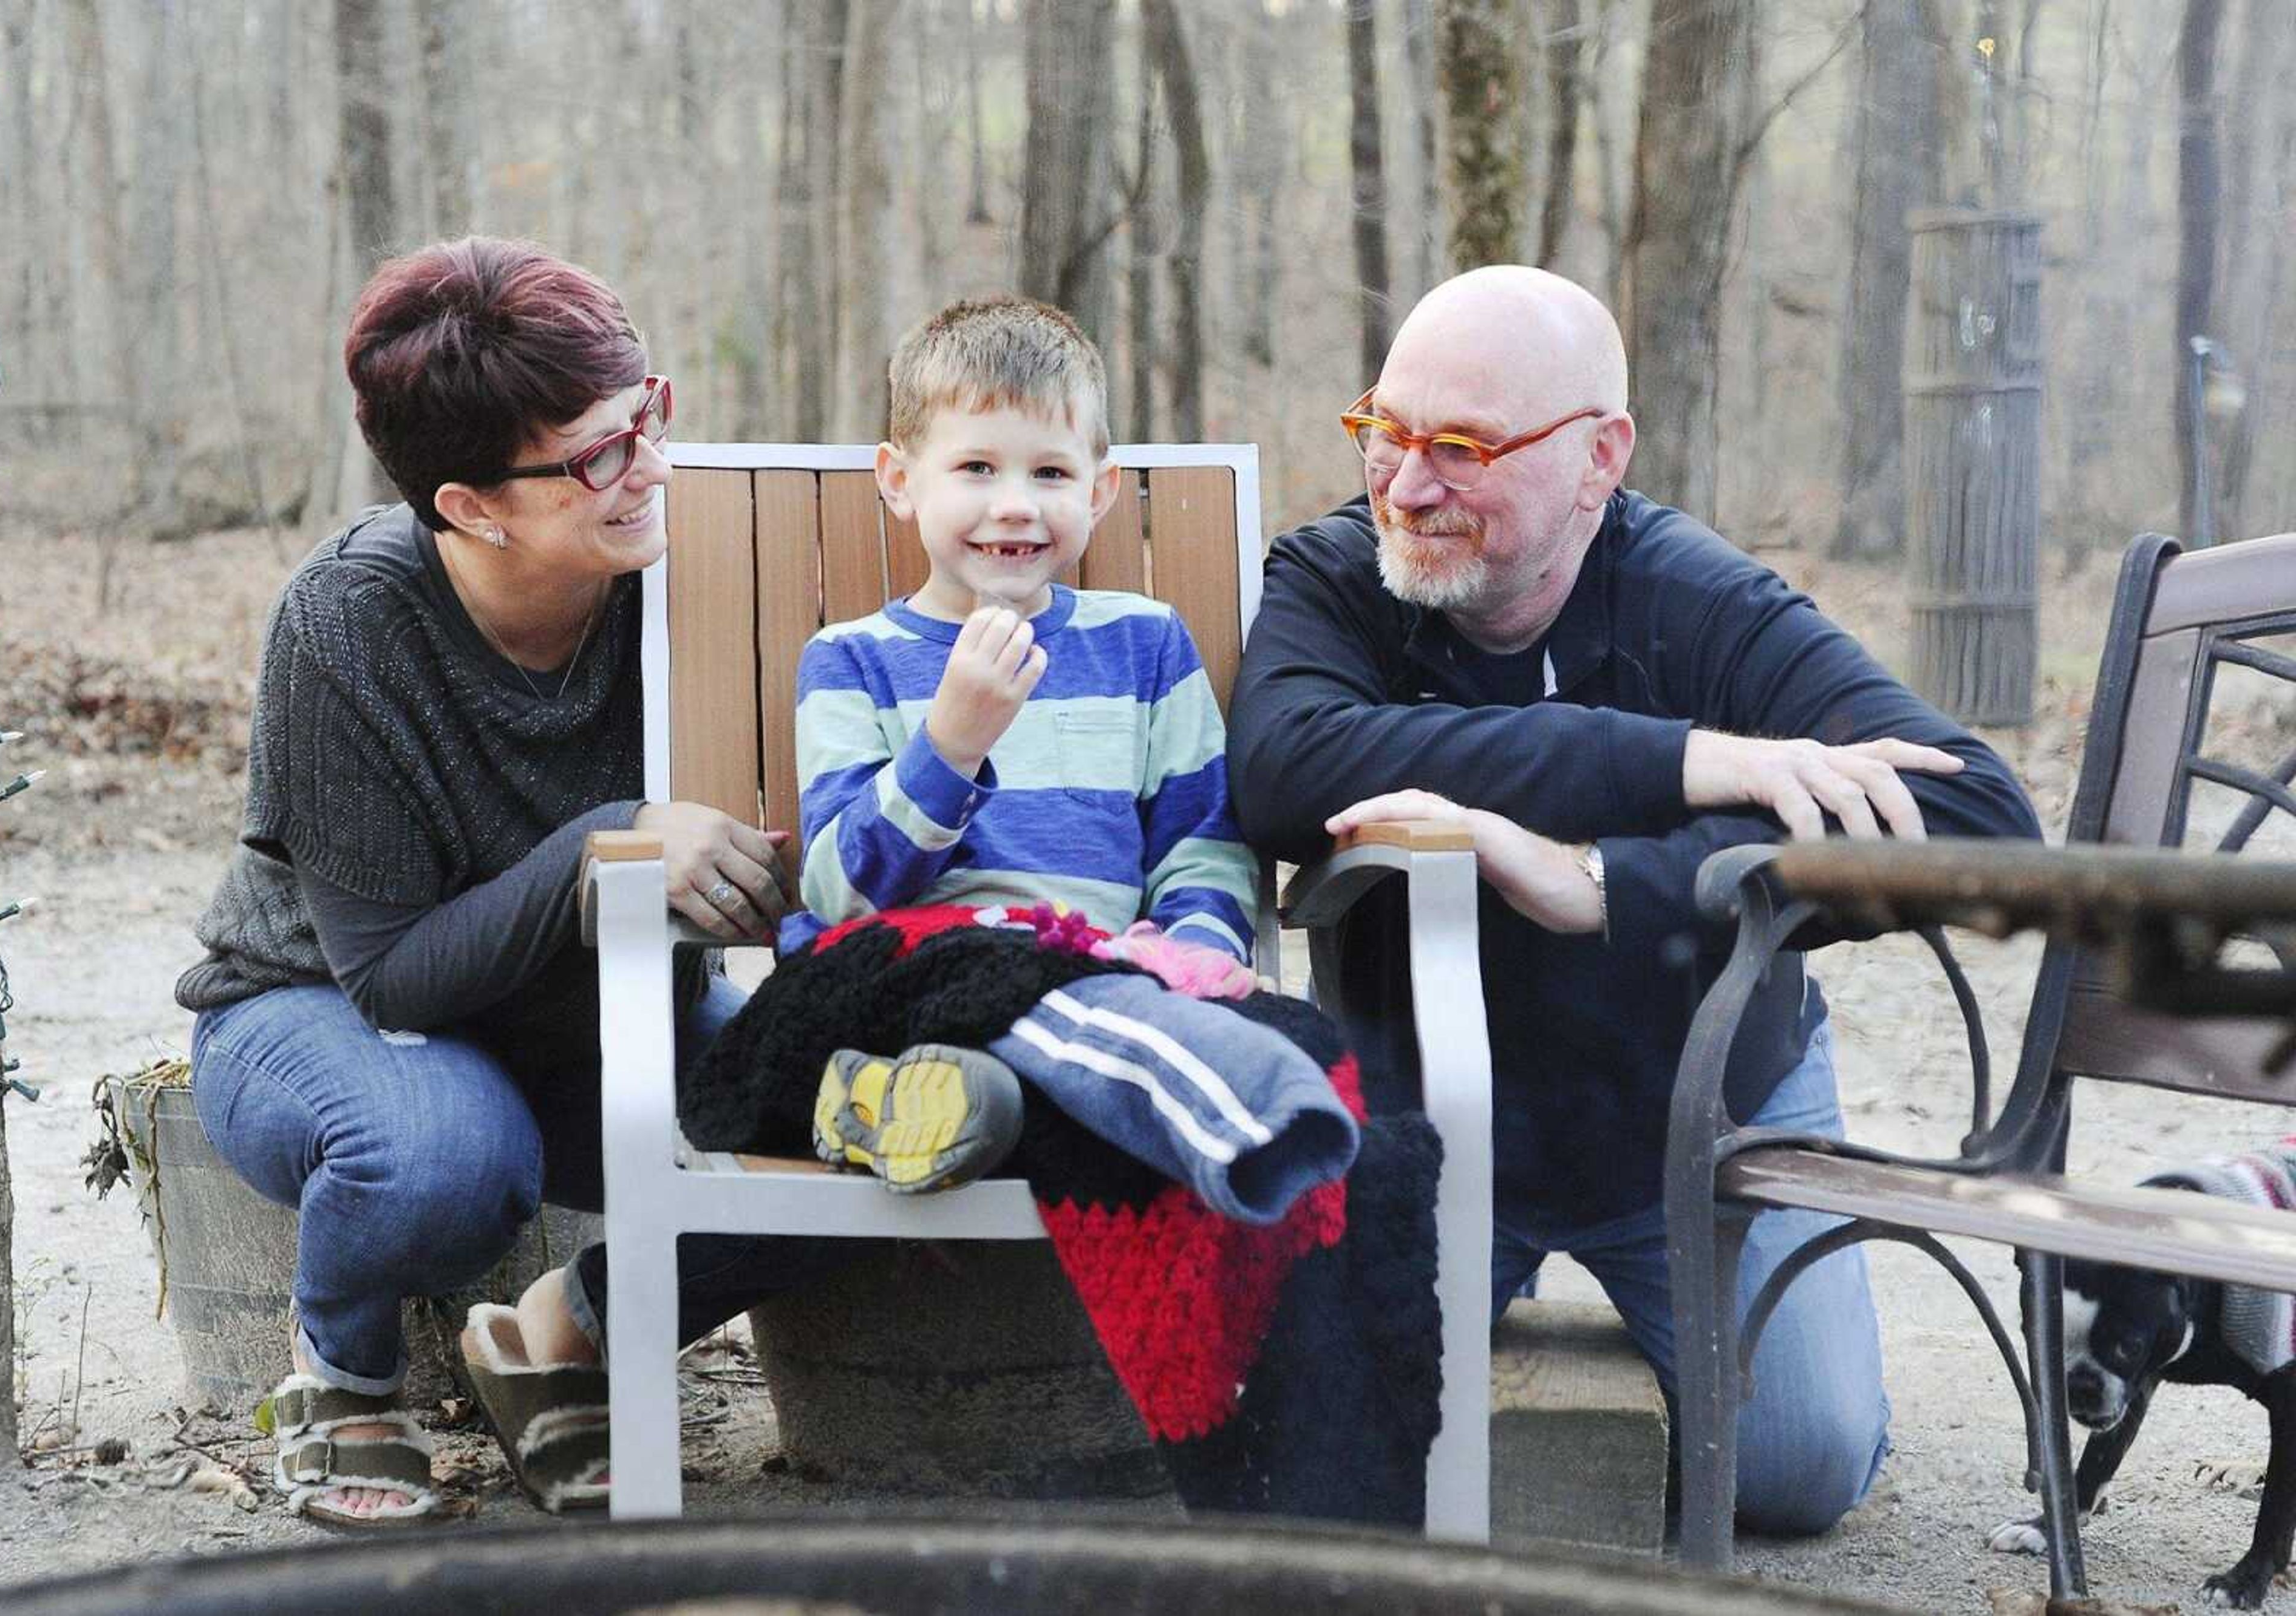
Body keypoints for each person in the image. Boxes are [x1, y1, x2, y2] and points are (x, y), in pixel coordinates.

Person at [1227, 265, 2042, 1534]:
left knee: (1796, 1468)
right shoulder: (1338, 576)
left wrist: (1607, 878)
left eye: (1461, 445)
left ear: (1599, 457)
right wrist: (1679, 761)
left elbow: (1981, 814)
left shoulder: (1701, 602)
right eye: (1384, 429)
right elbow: (1286, 764)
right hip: (1428, 1123)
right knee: (1320, 1467)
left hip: (1698, 1111)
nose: (1406, 481)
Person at [175, 237, 820, 1525]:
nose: (650, 468)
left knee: (839, 1122)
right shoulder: (350, 623)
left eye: (648, 416)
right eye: (596, 455)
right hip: (327, 1017)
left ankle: (557, 1337)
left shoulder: (697, 567)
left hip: (605, 1008)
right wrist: (608, 843)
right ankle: (344, 1384)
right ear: (469, 503)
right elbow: (394, 970)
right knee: (450, 1151)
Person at [786, 295, 1356, 1224]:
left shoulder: (1143, 645)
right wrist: (950, 743)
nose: (1015, 504)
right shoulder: (852, 660)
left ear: (1098, 491)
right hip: (916, 976)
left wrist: (1189, 964)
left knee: (1246, 1034)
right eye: (976, 466)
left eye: (1050, 471)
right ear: (899, 479)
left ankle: (925, 1106)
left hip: (1109, 984)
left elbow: (1200, 850)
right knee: (1108, 1034)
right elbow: (835, 890)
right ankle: (1249, 1134)